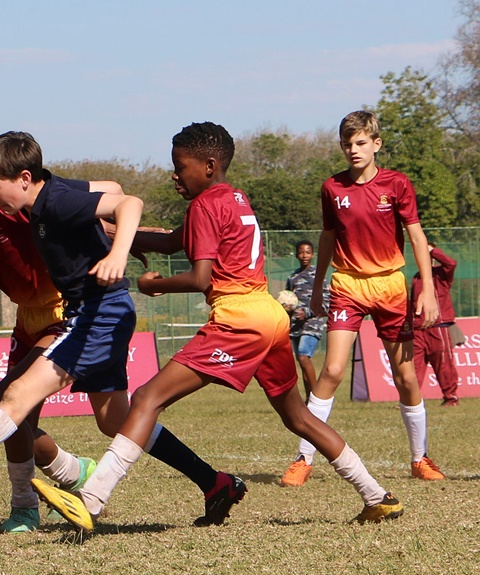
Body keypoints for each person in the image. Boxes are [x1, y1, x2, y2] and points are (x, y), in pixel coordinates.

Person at [32, 122, 404, 532]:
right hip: (269, 314)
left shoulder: (204, 205)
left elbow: (200, 278)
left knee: (146, 399)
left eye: (180, 166)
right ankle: (376, 496)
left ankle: (91, 499)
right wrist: (116, 234)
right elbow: (174, 241)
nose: (174, 175)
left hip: (239, 320)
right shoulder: (234, 198)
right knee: (297, 416)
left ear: (208, 166)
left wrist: (154, 285)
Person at [0, 131, 249, 529]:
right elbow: (107, 195)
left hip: (90, 314)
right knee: (116, 420)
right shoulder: (43, 200)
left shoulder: (53, 201)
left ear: (23, 178)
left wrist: (118, 249)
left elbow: (128, 200)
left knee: (14, 396)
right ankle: (214, 482)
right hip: (96, 312)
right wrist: (105, 233)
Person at [280, 110, 445, 487]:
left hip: (390, 286)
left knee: (405, 376)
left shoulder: (397, 184)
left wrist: (429, 291)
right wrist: (320, 281)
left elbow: (418, 238)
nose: (353, 150)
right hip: (348, 286)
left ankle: (419, 458)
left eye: (360, 143)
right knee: (333, 371)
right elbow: (327, 238)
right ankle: (304, 458)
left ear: (376, 144)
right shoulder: (332, 188)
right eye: (346, 144)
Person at [412, 242, 460, 407]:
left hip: (438, 326)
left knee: (444, 365)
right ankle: (411, 400)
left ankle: (450, 398)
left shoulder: (441, 273)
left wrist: (431, 250)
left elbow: (451, 263)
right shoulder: (416, 278)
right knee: (414, 366)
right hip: (418, 329)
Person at [286, 241, 329, 400]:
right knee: (302, 362)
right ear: (297, 255)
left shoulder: (319, 276)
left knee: (304, 357)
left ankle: (316, 397)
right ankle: (308, 399)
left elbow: (326, 304)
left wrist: (308, 312)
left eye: (308, 252)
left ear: (313, 255)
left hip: (312, 323)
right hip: (296, 325)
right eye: (301, 252)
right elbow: (288, 300)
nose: (304, 255)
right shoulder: (293, 278)